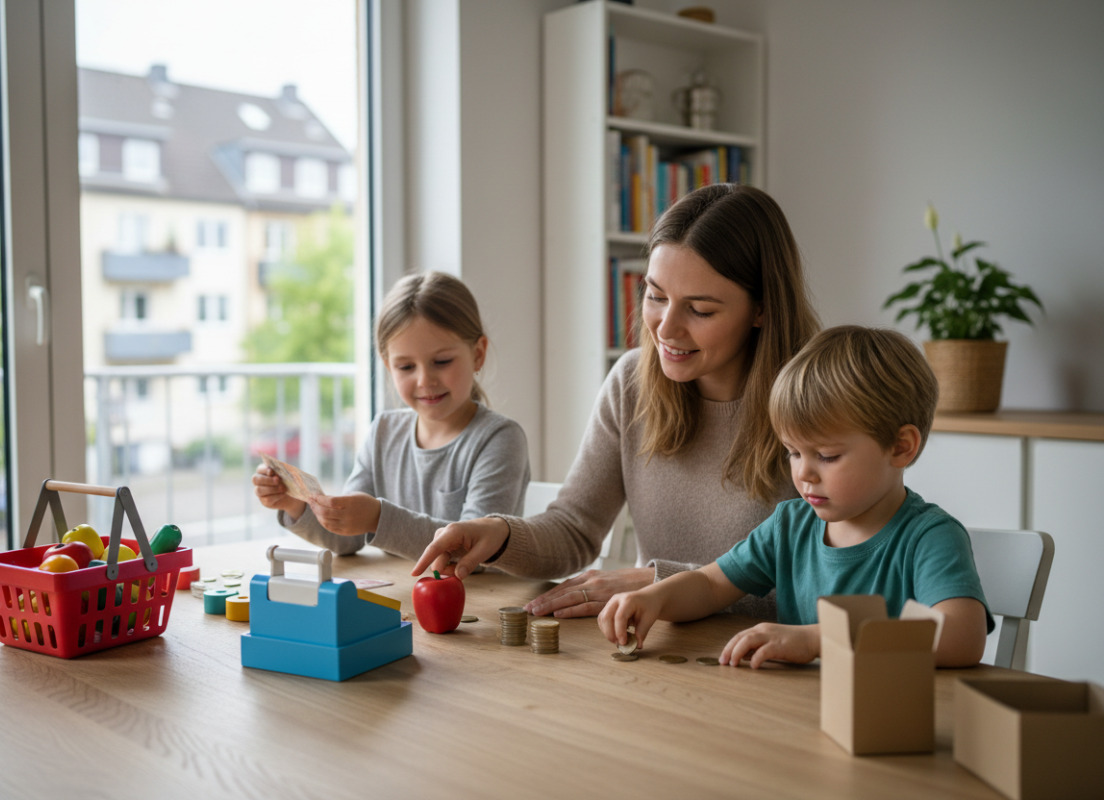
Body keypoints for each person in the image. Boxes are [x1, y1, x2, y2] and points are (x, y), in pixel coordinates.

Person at [412, 184, 821, 619]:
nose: (665, 329)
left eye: (700, 310)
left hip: (769, 667)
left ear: (761, 309)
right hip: (656, 653)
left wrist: (662, 582)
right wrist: (501, 533)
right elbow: (574, 529)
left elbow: (828, 583)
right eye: (656, 296)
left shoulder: (817, 399)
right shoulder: (632, 383)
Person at [597, 326, 992, 668]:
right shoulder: (790, 525)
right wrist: (654, 598)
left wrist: (817, 639)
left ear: (901, 447)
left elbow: (961, 636)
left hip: (890, 724)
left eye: (827, 456)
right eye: (793, 452)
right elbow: (710, 585)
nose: (803, 472)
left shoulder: (930, 537)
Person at [252, 271, 530, 561]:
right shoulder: (384, 431)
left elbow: (471, 553)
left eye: (442, 361)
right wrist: (294, 505)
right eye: (406, 367)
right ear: (388, 365)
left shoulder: (500, 439)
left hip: (479, 601)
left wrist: (378, 518)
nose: (424, 380)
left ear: (478, 354)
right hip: (399, 598)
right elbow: (348, 538)